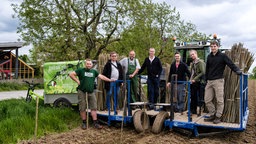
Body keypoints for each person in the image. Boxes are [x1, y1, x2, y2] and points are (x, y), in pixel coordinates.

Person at [69, 59, 114, 130]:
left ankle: (95, 122)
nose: (88, 65)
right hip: (82, 91)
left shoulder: (94, 71)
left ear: (92, 65)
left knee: (94, 107)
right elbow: (71, 74)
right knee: (82, 107)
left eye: (90, 64)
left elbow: (101, 76)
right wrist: (77, 80)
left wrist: (109, 80)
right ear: (85, 64)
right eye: (87, 64)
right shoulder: (81, 70)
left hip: (91, 91)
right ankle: (84, 122)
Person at [204, 40, 242, 124]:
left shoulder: (222, 56)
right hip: (209, 81)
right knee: (207, 100)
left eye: (214, 46)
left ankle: (218, 116)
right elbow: (207, 69)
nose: (213, 48)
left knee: (219, 100)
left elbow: (230, 64)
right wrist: (206, 79)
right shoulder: (209, 57)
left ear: (218, 47)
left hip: (218, 81)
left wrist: (237, 70)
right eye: (212, 46)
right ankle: (213, 113)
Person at [189, 50, 206, 114]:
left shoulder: (200, 62)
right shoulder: (193, 63)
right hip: (194, 82)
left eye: (193, 54)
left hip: (200, 81)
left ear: (196, 54)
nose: (192, 56)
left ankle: (200, 111)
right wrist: (190, 79)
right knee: (193, 96)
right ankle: (193, 110)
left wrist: (195, 79)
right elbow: (192, 73)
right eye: (191, 55)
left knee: (200, 97)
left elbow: (203, 72)